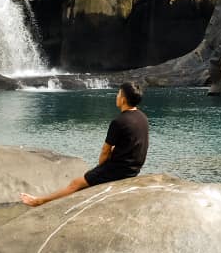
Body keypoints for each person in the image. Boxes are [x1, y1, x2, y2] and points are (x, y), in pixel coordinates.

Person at [20, 82, 149, 207]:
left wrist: (100, 169)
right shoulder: (143, 117)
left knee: (75, 183)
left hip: (120, 171)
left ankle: (39, 201)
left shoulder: (119, 122)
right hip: (134, 169)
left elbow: (105, 151)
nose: (117, 96)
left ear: (123, 100)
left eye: (118, 94)